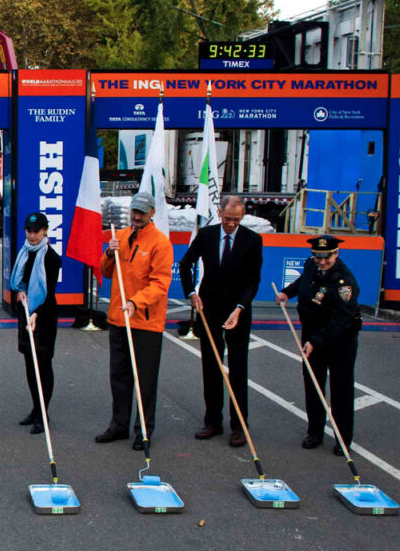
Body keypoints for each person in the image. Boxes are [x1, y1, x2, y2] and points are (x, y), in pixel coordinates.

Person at [178, 195, 262, 448]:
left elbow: (253, 281)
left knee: (238, 369)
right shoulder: (206, 235)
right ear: (219, 212)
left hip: (238, 311)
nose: (231, 224)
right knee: (211, 366)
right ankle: (212, 421)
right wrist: (192, 294)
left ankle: (239, 426)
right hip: (210, 308)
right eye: (227, 219)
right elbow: (185, 264)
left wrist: (240, 308)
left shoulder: (252, 240)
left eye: (236, 220)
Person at [95, 192, 172, 451]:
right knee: (119, 376)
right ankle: (119, 425)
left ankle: (144, 430)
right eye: (134, 212)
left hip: (145, 323)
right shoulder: (122, 236)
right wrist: (108, 251)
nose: (136, 217)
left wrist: (136, 302)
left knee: (145, 379)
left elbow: (161, 283)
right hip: (118, 318)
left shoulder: (161, 243)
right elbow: (106, 271)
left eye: (141, 212)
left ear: (152, 213)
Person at [275, 235, 362, 455]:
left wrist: (316, 341)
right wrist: (287, 292)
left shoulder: (345, 282)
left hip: (339, 341)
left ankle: (343, 439)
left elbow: (342, 319)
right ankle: (315, 432)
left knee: (341, 389)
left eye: (326, 258)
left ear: (336, 254)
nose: (321, 262)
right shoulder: (311, 265)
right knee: (313, 384)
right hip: (312, 335)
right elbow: (303, 282)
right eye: (317, 257)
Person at [10, 212, 62, 435]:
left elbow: (47, 292)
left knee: (42, 364)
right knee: (30, 364)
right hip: (26, 312)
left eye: (36, 231)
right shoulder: (24, 252)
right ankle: (35, 408)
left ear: (45, 231)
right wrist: (20, 292)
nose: (32, 236)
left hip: (44, 315)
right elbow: (19, 281)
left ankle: (43, 413)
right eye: (29, 231)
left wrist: (36, 313)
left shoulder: (51, 258)